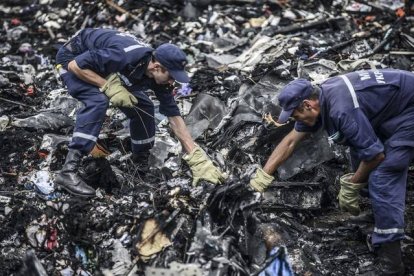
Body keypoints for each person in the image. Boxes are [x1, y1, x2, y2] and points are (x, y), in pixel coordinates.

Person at [249, 69, 414, 275]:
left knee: (384, 175)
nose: (295, 119)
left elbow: (375, 156)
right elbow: (291, 141)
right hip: (394, 107)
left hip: (409, 112)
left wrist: (351, 186)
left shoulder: (341, 110)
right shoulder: (322, 96)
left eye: (295, 114)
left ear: (308, 105)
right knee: (358, 158)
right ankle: (378, 217)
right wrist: (263, 176)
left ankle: (391, 263)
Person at [54, 28, 225, 197]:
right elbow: (75, 65)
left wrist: (196, 157)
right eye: (172, 76)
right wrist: (108, 86)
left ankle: (139, 163)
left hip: (103, 65)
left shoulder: (159, 78)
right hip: (73, 58)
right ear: (157, 67)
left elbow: (174, 116)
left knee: (144, 107)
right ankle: (68, 171)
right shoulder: (123, 56)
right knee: (98, 100)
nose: (173, 81)